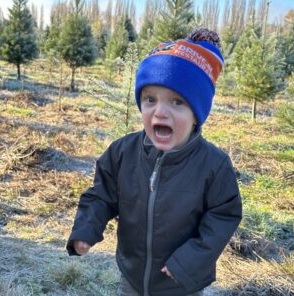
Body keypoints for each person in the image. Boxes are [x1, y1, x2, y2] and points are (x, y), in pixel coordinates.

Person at [66, 27, 242, 296]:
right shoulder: (122, 152)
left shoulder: (213, 166)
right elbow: (101, 195)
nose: (160, 111)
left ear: (197, 114)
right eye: (150, 99)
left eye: (177, 102)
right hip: (132, 277)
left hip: (181, 282)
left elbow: (222, 218)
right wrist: (86, 229)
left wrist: (187, 262)